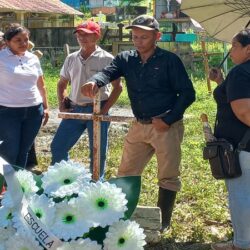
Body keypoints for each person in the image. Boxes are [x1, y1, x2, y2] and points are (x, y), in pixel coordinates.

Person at [81, 14, 195, 231]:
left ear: (157, 36)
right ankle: (121, 217)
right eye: (134, 36)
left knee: (168, 175)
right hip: (139, 125)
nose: (138, 41)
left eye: (143, 37)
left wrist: (169, 119)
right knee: (126, 172)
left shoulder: (170, 60)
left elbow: (188, 94)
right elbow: (109, 71)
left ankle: (163, 223)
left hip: (165, 126)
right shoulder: (126, 58)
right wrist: (95, 81)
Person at [50, 21, 122, 179]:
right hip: (75, 107)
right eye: (79, 34)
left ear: (97, 36)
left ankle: (96, 183)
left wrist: (104, 110)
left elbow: (118, 87)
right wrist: (62, 104)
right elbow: (62, 83)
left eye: (86, 34)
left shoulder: (107, 58)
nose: (82, 37)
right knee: (58, 146)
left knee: (97, 151)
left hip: (97, 108)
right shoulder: (72, 58)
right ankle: (61, 180)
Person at [209, 29, 250, 250]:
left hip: (241, 147)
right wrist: (221, 83)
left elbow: (244, 111)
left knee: (241, 196)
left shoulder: (241, 73)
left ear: (248, 49)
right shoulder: (239, 74)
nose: (230, 49)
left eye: (234, 45)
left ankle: (242, 244)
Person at [0, 23, 49, 168]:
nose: (23, 43)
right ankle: (6, 188)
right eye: (18, 40)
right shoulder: (1, 58)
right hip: (8, 112)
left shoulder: (33, 58)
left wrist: (46, 107)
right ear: (8, 42)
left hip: (34, 111)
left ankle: (20, 186)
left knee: (24, 151)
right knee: (9, 152)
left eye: (26, 39)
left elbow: (41, 84)